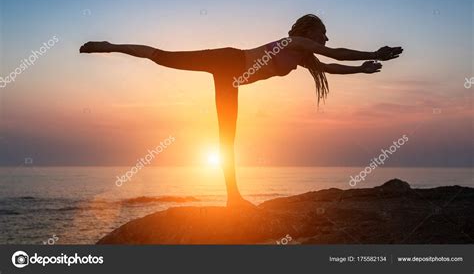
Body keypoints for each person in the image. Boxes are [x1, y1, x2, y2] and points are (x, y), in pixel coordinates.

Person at [80, 14, 403, 208]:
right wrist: (373, 52)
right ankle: (109, 46)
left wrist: (362, 69)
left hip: (229, 79)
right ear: (310, 31)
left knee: (227, 138)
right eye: (323, 32)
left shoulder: (304, 55)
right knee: (164, 56)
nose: (327, 37)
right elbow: (335, 52)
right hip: (228, 61)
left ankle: (232, 198)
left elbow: (330, 67)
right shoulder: (296, 41)